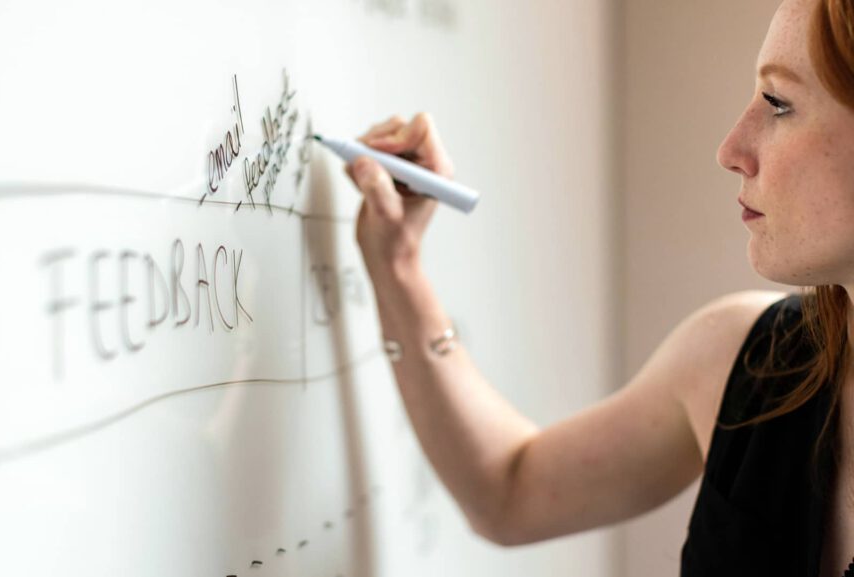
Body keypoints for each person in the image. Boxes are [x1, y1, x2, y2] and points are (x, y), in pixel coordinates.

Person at [344, 0, 854, 574]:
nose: (730, 150)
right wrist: (399, 265)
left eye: (779, 103)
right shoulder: (751, 362)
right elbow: (508, 493)